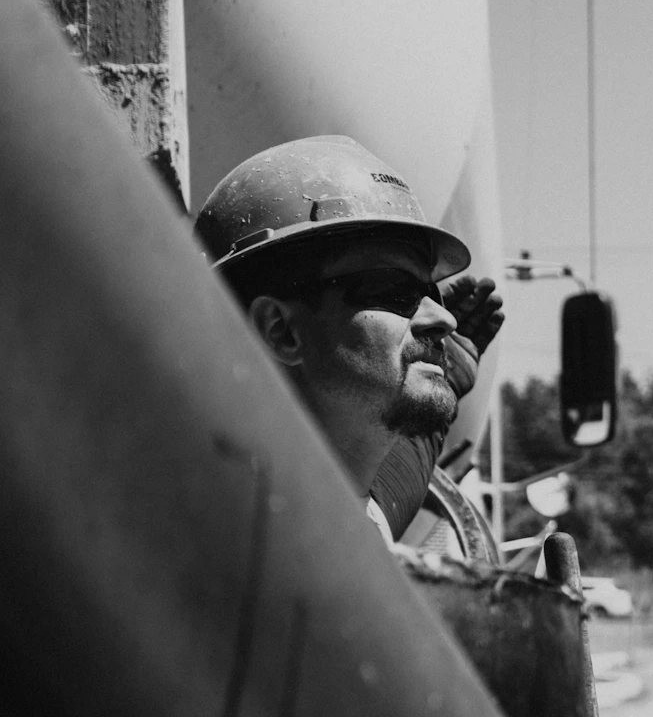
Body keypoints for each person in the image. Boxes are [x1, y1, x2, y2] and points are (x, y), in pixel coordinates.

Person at [193, 134, 503, 541]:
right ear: (281, 330)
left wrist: (439, 381)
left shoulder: (344, 521)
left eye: (432, 292)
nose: (442, 316)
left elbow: (394, 485)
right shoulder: (232, 547)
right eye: (396, 290)